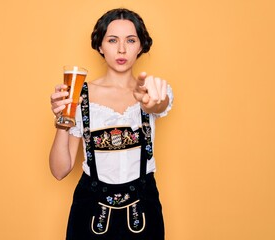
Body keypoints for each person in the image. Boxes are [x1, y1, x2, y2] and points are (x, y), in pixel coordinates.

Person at [49, 8, 173, 240]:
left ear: (141, 46)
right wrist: (62, 120)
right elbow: (59, 170)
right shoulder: (79, 96)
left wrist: (154, 102)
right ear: (100, 46)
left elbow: (157, 104)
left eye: (131, 40)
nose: (122, 49)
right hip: (90, 212)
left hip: (144, 211)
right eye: (113, 40)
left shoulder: (150, 91)